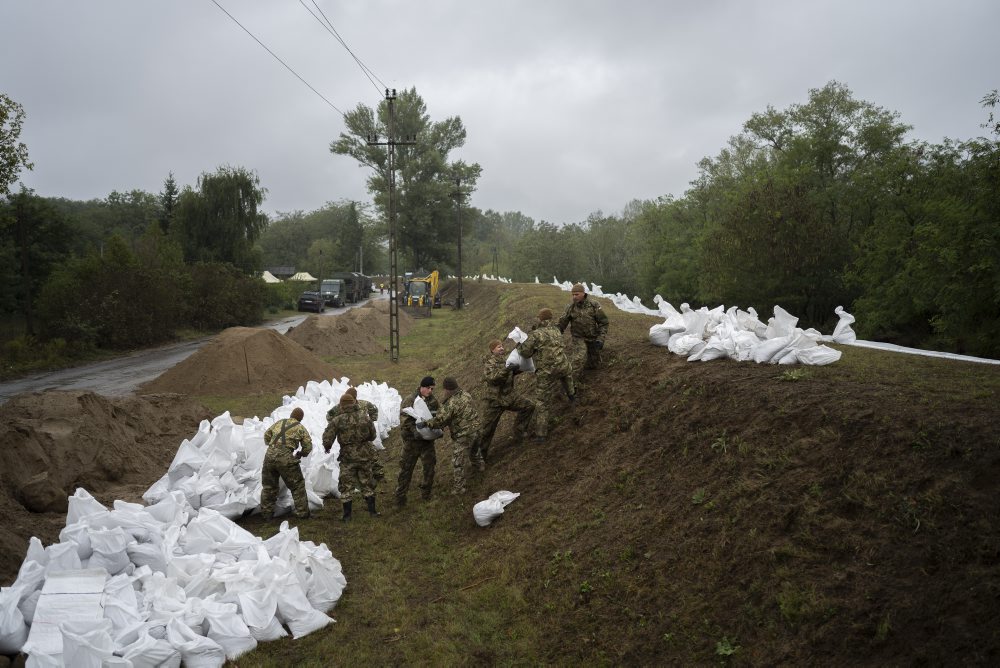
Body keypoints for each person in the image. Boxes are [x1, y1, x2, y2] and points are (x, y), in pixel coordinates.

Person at [417, 377, 482, 495]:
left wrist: (426, 423)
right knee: (474, 451)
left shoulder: (450, 403)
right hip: (477, 429)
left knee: (458, 462)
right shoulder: (466, 394)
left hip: (463, 434)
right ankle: (480, 467)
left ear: (447, 389)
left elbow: (440, 421)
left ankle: (459, 488)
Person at [518, 308, 575, 442]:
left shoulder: (536, 334)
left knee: (542, 402)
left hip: (547, 372)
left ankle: (541, 434)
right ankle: (572, 395)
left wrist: (520, 344)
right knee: (567, 374)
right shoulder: (556, 330)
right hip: (562, 365)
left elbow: (525, 353)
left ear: (540, 319)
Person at [324, 392, 380, 521]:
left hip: (347, 456)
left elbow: (328, 437)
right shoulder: (365, 417)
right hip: (364, 454)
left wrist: (327, 447)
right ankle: (372, 512)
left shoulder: (337, 420)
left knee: (346, 485)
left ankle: (347, 516)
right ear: (354, 403)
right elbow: (373, 436)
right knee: (367, 481)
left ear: (342, 406)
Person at [479, 338, 536, 458]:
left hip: (509, 396)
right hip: (494, 401)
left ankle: (519, 431)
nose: (502, 348)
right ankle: (480, 456)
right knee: (486, 430)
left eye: (502, 346)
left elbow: (511, 373)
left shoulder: (506, 360)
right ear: (492, 350)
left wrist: (519, 368)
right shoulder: (489, 363)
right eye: (498, 347)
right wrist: (507, 369)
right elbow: (492, 378)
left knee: (529, 406)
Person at [394, 376, 441, 506]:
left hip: (427, 443)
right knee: (405, 470)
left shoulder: (433, 401)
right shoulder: (410, 400)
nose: (430, 391)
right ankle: (400, 498)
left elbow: (437, 417)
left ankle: (426, 495)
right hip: (411, 443)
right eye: (428, 388)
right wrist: (415, 431)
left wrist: (437, 429)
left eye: (432, 388)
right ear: (421, 387)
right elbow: (404, 420)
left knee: (429, 468)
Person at [260, 407, 313, 520]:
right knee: (297, 486)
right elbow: (308, 446)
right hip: (285, 457)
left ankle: (266, 515)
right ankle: (303, 514)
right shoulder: (300, 427)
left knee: (269, 487)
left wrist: (273, 446)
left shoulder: (279, 422)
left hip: (269, 456)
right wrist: (301, 454)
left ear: (291, 415)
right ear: (300, 418)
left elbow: (266, 436)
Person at [327, 386, 384, 482]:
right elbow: (329, 416)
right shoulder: (339, 407)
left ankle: (378, 474)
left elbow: (374, 410)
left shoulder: (364, 404)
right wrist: (337, 426)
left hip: (363, 438)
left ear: (355, 398)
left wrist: (371, 421)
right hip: (348, 438)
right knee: (348, 461)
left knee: (372, 454)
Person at [558, 283, 609, 381]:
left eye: (576, 294)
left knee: (594, 364)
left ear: (583, 293)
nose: (574, 297)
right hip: (578, 338)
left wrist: (600, 339)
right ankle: (570, 383)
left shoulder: (594, 305)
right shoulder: (570, 307)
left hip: (592, 338)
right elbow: (561, 324)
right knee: (579, 358)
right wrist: (552, 333)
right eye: (572, 295)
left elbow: (604, 323)